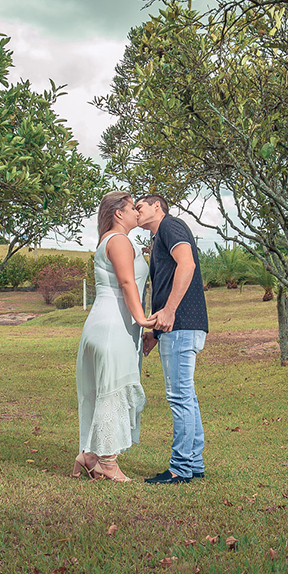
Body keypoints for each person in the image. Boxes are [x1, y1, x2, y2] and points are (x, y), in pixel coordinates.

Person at [73, 191, 155, 482]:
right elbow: (126, 282)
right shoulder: (118, 240)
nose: (137, 212)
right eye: (133, 207)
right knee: (113, 391)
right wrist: (142, 319)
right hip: (113, 324)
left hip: (102, 321)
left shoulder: (108, 240)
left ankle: (89, 456)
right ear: (118, 213)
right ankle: (108, 463)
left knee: (99, 391)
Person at [135, 194, 208, 485]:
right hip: (178, 327)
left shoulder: (170, 225)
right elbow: (166, 284)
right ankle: (195, 463)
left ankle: (180, 468)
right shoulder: (159, 237)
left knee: (180, 396)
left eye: (139, 207)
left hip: (181, 325)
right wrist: (156, 331)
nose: (136, 212)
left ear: (157, 207)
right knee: (186, 395)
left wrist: (169, 312)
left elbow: (187, 265)